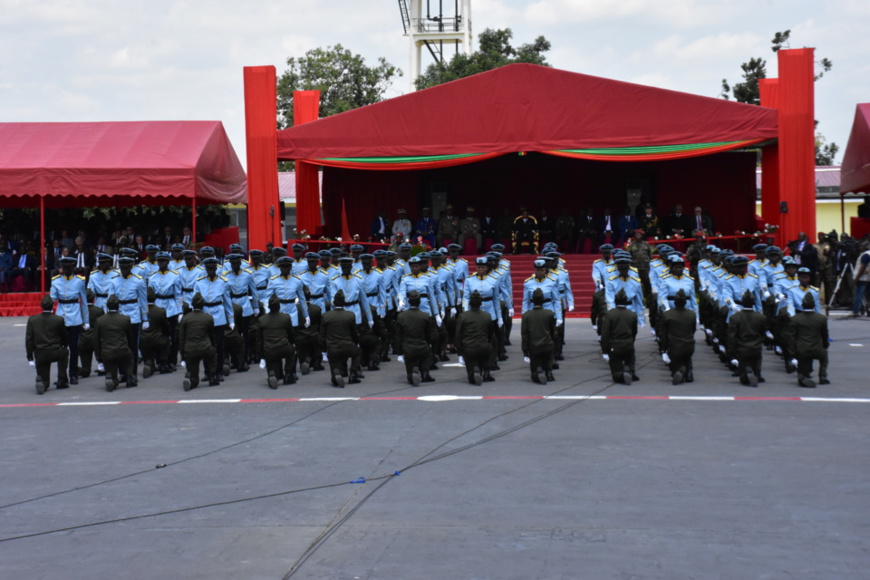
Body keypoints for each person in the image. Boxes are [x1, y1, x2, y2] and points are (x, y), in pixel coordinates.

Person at [193, 257, 235, 380]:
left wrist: (231, 320)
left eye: (213, 268)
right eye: (208, 268)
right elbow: (195, 302)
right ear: (205, 269)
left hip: (219, 316)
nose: (211, 270)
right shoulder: (199, 282)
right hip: (205, 315)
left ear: (216, 268)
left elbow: (228, 303)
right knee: (206, 346)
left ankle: (219, 371)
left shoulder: (223, 282)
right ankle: (208, 372)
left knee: (219, 346)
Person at [50, 255, 89, 385]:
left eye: (68, 267)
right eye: (64, 267)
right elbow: (52, 299)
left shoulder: (79, 281)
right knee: (61, 348)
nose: (66, 270)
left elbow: (84, 302)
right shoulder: (56, 281)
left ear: (73, 268)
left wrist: (86, 320)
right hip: (61, 317)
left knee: (74, 348)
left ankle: (73, 374)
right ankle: (62, 376)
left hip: (74, 318)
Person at [25, 294, 70, 394]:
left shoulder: (33, 320)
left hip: (40, 353)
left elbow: (29, 340)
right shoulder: (58, 319)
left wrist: (30, 357)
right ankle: (61, 380)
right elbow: (64, 336)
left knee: (44, 377)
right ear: (52, 305)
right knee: (65, 353)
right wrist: (64, 345)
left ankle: (42, 382)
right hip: (55, 351)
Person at [319, 290, 362, 387]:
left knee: (333, 361)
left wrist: (324, 351)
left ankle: (336, 374)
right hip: (347, 346)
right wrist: (356, 343)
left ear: (333, 303)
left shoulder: (326, 316)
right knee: (358, 352)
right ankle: (353, 374)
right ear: (344, 303)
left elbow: (322, 336)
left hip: (332, 347)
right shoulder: (350, 315)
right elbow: (354, 333)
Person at [149, 251, 183, 369]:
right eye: (159, 261)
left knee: (172, 337)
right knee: (158, 336)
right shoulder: (152, 276)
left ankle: (171, 361)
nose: (161, 263)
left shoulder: (175, 275)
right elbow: (151, 294)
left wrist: (180, 311)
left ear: (168, 262)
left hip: (171, 307)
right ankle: (159, 361)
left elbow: (178, 295)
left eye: (163, 261)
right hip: (158, 306)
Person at [395, 290, 436, 386]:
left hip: (408, 348)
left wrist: (399, 353)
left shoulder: (401, 316)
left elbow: (398, 336)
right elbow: (429, 335)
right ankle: (425, 373)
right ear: (419, 301)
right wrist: (429, 344)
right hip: (422, 346)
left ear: (409, 302)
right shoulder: (425, 316)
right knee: (426, 356)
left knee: (410, 362)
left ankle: (412, 372)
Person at [95, 295, 136, 391]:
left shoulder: (100, 320)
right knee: (128, 360)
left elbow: (96, 340)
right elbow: (130, 338)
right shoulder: (125, 319)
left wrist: (99, 357)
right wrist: (131, 350)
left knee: (110, 366)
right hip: (122, 350)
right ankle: (130, 378)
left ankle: (111, 378)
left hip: (107, 352)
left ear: (107, 306)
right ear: (118, 306)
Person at [178, 292, 218, 390]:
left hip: (190, 350)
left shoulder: (186, 318)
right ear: (203, 305)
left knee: (193, 373)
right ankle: (212, 377)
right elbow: (211, 335)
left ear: (192, 304)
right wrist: (213, 346)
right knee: (212, 356)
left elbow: (181, 338)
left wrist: (183, 355)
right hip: (205, 348)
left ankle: (192, 381)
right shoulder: (208, 317)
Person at [789, 292, 830, 387]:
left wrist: (793, 351)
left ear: (802, 305)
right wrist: (825, 345)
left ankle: (803, 375)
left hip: (802, 349)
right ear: (814, 305)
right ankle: (822, 375)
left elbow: (791, 336)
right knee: (824, 356)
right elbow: (825, 335)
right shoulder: (821, 319)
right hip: (817, 348)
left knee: (803, 362)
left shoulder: (795, 319)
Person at [455, 290, 495, 385]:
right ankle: (486, 372)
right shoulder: (487, 316)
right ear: (481, 303)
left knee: (471, 375)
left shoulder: (463, 316)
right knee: (489, 348)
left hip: (469, 347)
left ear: (469, 303)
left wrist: (460, 352)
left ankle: (474, 370)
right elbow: (491, 334)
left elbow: (458, 335)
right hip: (484, 347)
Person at [658, 288, 696, 384]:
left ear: (674, 302)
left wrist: (663, 351)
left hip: (674, 348)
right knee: (686, 357)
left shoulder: (667, 315)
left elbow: (663, 335)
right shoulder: (692, 314)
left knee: (675, 368)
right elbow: (693, 330)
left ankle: (682, 370)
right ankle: (688, 370)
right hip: (689, 346)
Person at [601, 289, 638, 385]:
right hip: (628, 344)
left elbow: (605, 334)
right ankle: (630, 371)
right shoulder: (632, 315)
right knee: (630, 359)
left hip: (615, 346)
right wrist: (631, 342)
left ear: (615, 300)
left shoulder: (610, 314)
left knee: (616, 374)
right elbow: (634, 332)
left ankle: (622, 374)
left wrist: (605, 350)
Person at [258, 294, 296, 388]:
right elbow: (291, 335)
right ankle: (288, 374)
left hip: (269, 349)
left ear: (269, 307)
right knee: (292, 351)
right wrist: (291, 344)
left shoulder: (262, 320)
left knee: (271, 361)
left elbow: (259, 340)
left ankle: (273, 374)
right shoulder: (286, 318)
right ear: (279, 306)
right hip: (283, 347)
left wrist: (262, 355)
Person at [521, 288, 557, 384]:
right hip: (547, 344)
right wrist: (554, 345)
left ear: (532, 301)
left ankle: (537, 369)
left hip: (534, 346)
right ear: (543, 300)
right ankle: (548, 372)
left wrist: (525, 350)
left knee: (535, 362)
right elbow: (553, 332)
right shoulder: (550, 314)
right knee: (548, 355)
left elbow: (524, 335)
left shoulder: (526, 315)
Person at [140, 287, 170, 378]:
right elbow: (166, 327)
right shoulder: (160, 311)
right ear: (155, 298)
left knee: (146, 345)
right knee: (165, 341)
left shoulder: (140, 311)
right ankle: (163, 364)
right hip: (157, 339)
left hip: (144, 340)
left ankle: (149, 363)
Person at [78, 290, 105, 378]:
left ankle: (78, 369)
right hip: (96, 339)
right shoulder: (99, 311)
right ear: (94, 299)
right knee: (101, 355)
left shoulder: (79, 311)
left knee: (86, 370)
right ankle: (101, 366)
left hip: (83, 339)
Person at [852, 239, 870, 317]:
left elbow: (862, 268)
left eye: (861, 246)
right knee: (867, 295)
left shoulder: (865, 255)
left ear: (866, 247)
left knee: (859, 294)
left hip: (862, 278)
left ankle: (856, 310)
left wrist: (856, 278)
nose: (860, 248)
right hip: (868, 277)